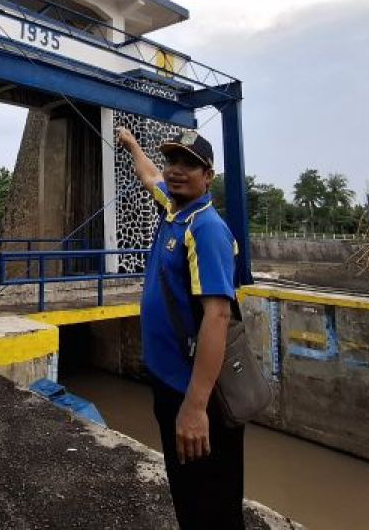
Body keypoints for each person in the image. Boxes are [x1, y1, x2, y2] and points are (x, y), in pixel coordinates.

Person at [116, 125, 244, 530]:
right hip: (168, 385)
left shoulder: (205, 228)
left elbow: (218, 316)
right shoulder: (172, 209)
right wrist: (132, 144)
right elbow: (148, 174)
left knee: (211, 505)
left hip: (194, 395)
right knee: (188, 498)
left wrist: (195, 407)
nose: (176, 170)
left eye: (190, 164)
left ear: (208, 177)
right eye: (174, 160)